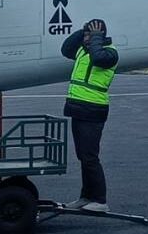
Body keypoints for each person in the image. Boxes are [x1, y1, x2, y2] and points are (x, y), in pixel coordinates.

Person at [62, 19, 118, 213]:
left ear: (100, 36)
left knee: (90, 157)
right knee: (83, 156)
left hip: (93, 110)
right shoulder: (82, 50)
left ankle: (100, 200)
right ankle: (86, 197)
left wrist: (95, 38)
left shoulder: (110, 53)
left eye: (90, 35)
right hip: (78, 108)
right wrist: (81, 31)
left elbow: (99, 59)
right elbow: (66, 49)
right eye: (85, 35)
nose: (86, 39)